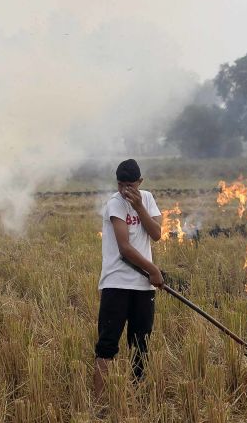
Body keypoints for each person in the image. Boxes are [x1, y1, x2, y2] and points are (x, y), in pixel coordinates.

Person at [93, 158, 164, 400]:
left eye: (130, 186)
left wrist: (141, 208)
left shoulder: (148, 198)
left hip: (142, 286)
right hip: (117, 282)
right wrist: (153, 270)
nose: (126, 191)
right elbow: (124, 248)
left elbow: (156, 234)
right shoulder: (115, 204)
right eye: (121, 185)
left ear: (140, 183)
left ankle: (136, 397)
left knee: (140, 344)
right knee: (107, 344)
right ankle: (99, 403)